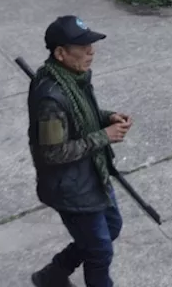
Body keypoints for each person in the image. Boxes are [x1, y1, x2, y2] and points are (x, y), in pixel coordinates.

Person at [29, 16, 132, 287]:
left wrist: (107, 117)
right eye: (82, 46)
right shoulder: (51, 98)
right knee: (99, 251)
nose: (91, 52)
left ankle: (52, 274)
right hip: (70, 187)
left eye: (91, 44)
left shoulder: (75, 78)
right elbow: (52, 153)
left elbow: (80, 117)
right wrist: (104, 136)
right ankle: (54, 276)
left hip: (92, 174)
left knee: (111, 228)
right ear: (60, 53)